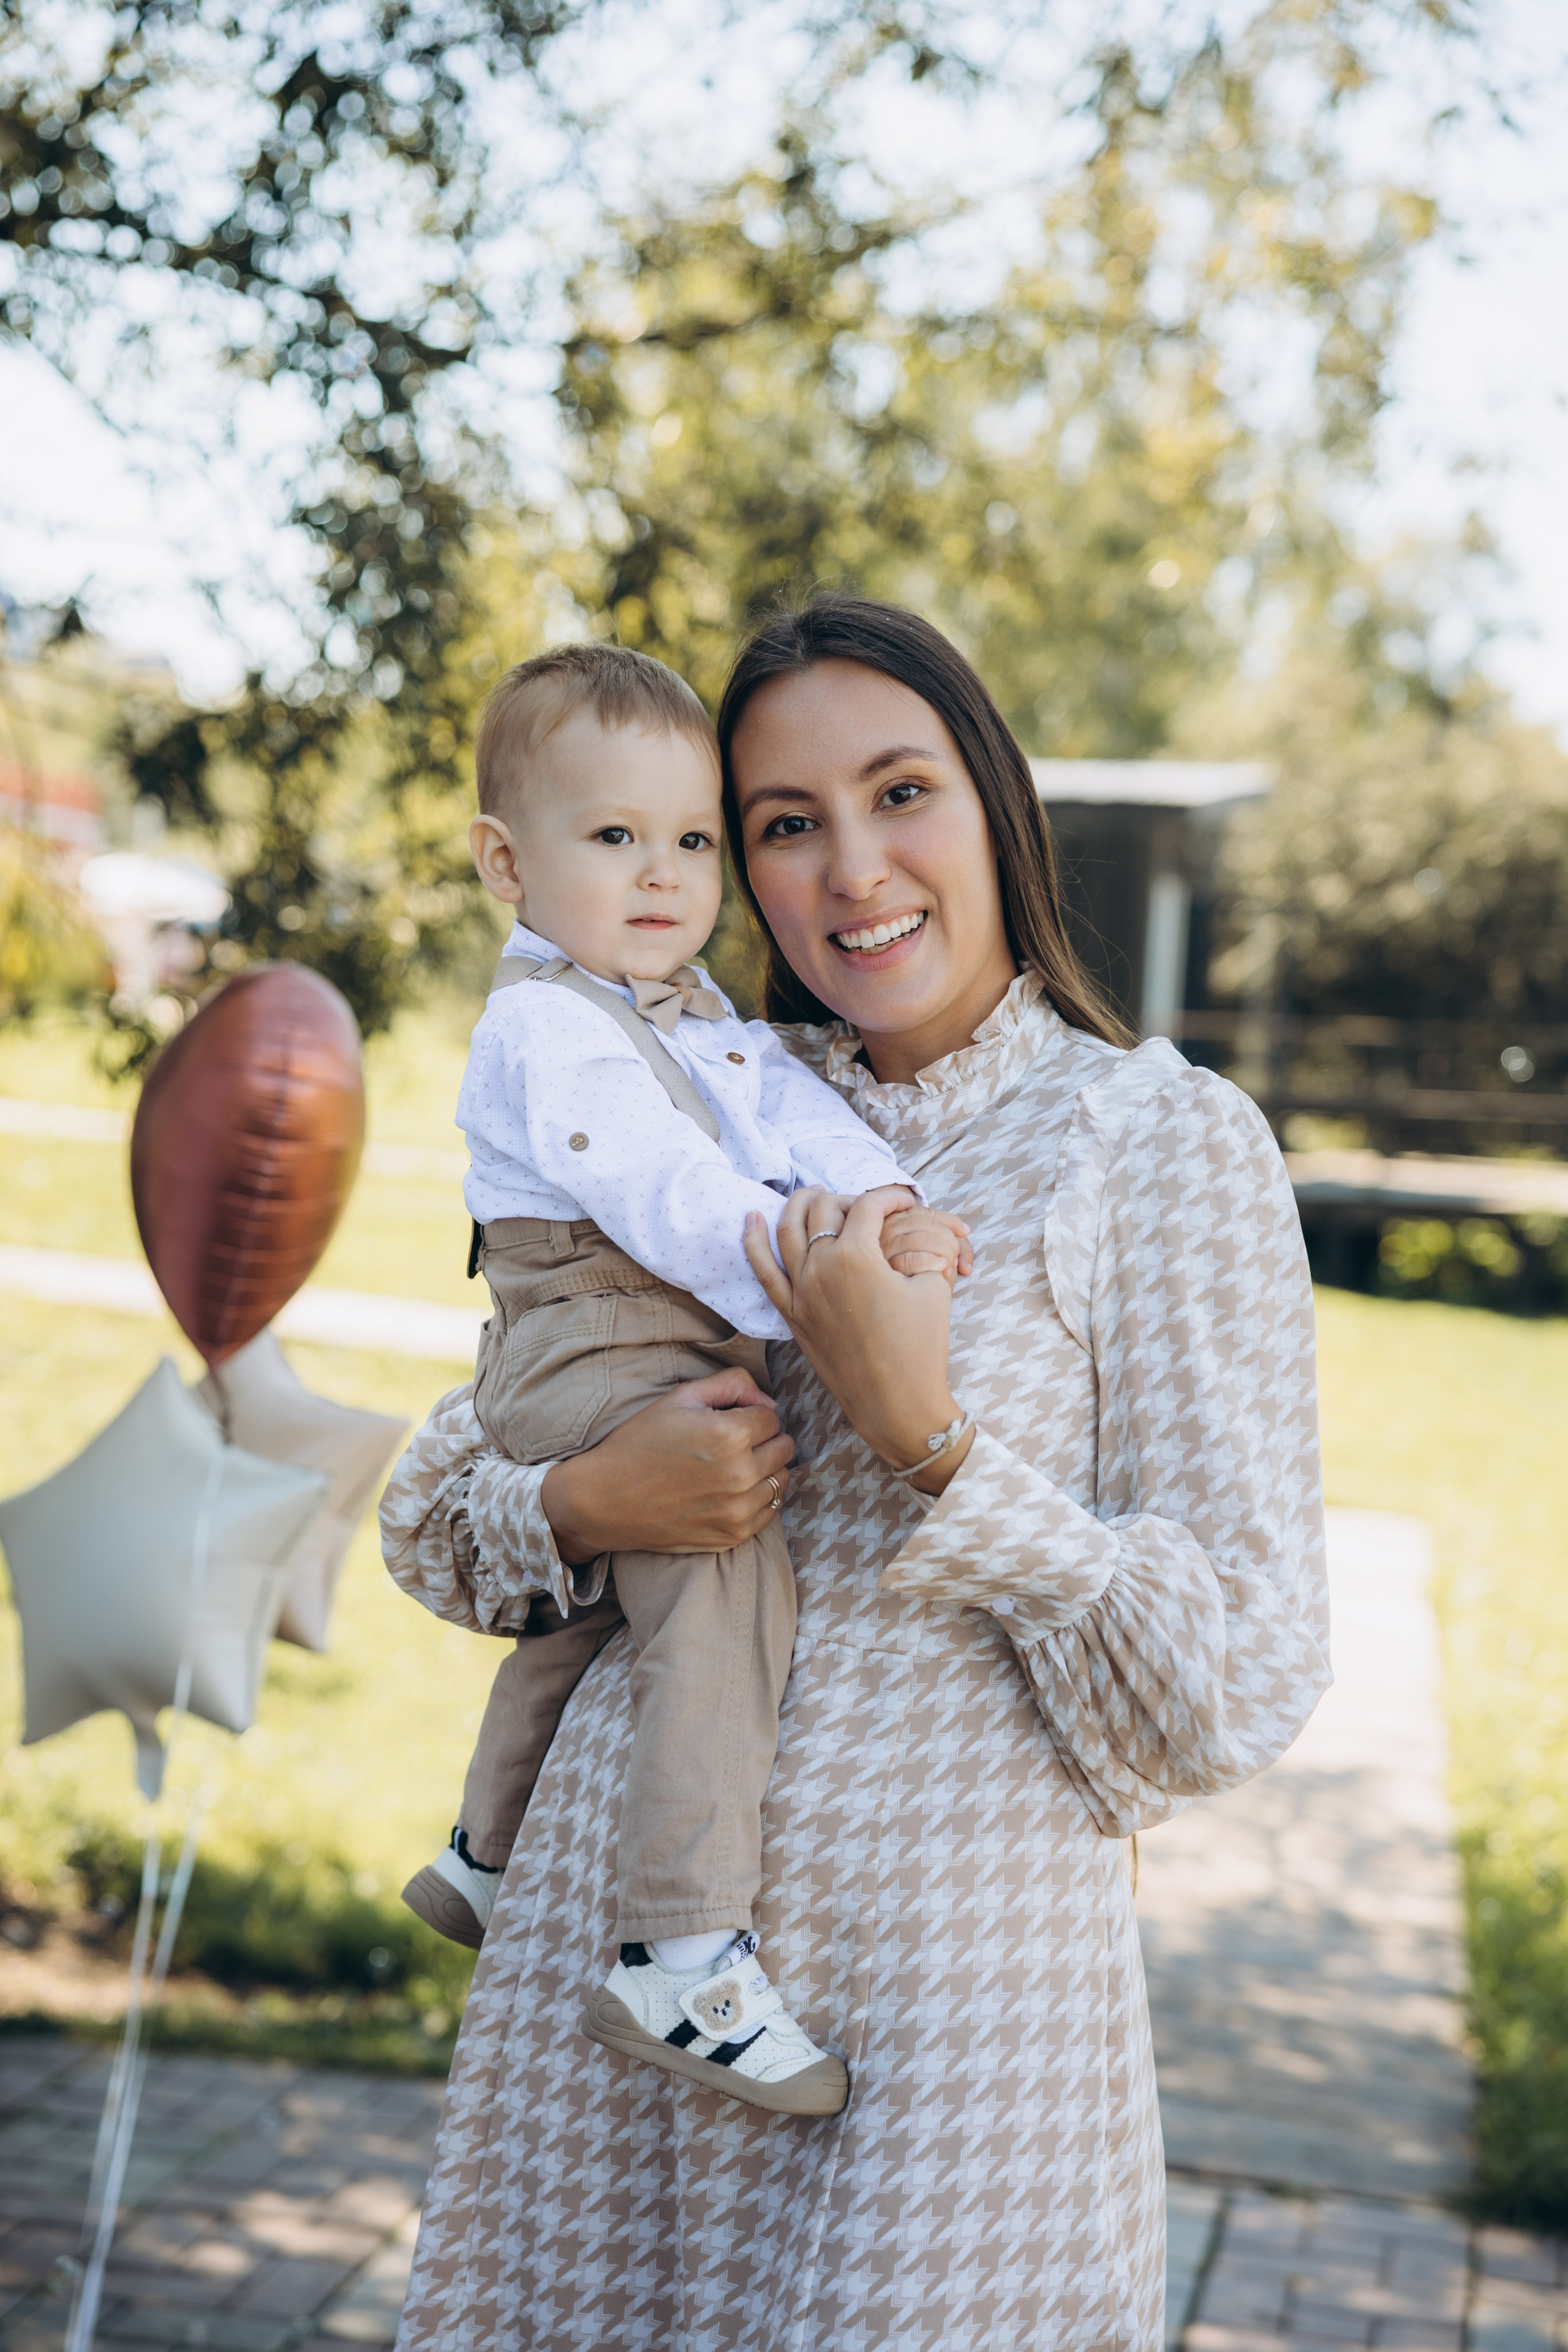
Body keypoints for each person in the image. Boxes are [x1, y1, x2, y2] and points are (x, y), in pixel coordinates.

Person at [383, 597, 1329, 2351]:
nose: (851, 868)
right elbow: (435, 1512)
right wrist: (595, 1506)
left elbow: (1232, 1683)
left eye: (900, 792)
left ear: (995, 804)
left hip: (947, 2027)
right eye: (783, 824)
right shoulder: (686, 1085)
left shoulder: (1157, 1139)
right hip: (615, 1984)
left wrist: (935, 1446)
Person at [394, 642, 970, 2118]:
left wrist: (885, 1201)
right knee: (722, 1574)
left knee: (601, 1617)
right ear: (504, 864)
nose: (662, 876)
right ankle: (678, 1949)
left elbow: (795, 1113)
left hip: (661, 1332)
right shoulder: (546, 1026)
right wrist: (805, 1273)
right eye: (613, 838)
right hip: (588, 1336)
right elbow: (656, 1193)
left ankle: (481, 1848)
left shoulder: (697, 1007)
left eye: (693, 841)